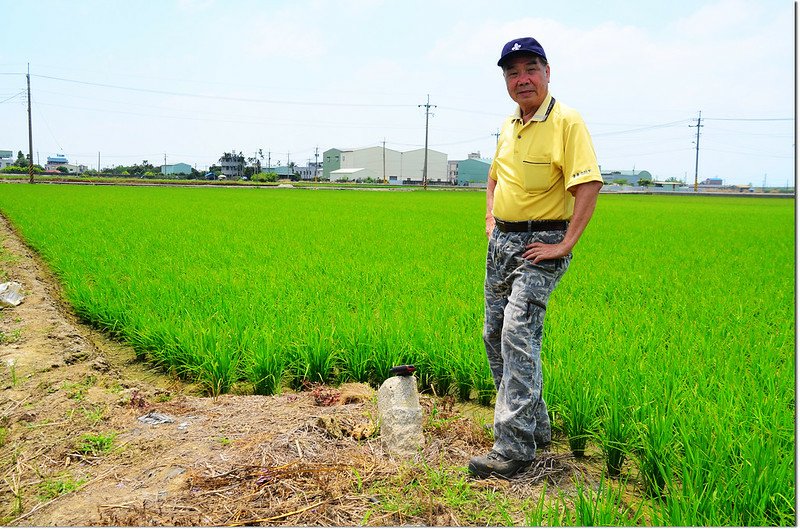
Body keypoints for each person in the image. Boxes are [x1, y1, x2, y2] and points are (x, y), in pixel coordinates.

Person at [468, 36, 603, 479]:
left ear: (548, 72)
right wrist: (490, 217)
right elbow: (493, 176)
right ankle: (535, 424)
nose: (521, 78)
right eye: (512, 72)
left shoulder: (567, 121)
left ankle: (514, 447)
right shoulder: (510, 124)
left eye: (530, 68)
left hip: (540, 243)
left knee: (516, 332)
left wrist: (564, 245)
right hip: (502, 241)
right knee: (493, 333)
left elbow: (588, 185)